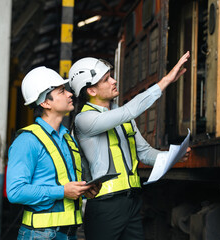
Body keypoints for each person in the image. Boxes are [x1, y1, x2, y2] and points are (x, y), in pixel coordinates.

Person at [68, 51, 191, 240]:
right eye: (107, 79)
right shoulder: (84, 120)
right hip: (104, 205)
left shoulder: (122, 115)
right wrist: (165, 81)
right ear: (91, 91)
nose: (114, 81)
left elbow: (144, 153)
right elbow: (130, 110)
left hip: (132, 202)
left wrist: (172, 156)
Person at [6, 66, 101, 240]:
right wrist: (62, 192)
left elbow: (64, 183)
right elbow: (15, 191)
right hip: (40, 235)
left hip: (68, 234)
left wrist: (83, 189)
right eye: (61, 91)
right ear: (45, 103)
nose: (69, 94)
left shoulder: (66, 138)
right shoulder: (27, 141)